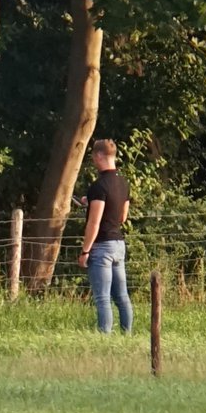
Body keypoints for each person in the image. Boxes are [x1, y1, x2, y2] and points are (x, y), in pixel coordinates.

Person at [76, 138, 133, 334]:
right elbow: (122, 217)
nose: (93, 160)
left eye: (93, 156)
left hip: (102, 246)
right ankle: (127, 335)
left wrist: (85, 251)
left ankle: (104, 338)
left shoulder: (99, 186)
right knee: (122, 296)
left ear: (100, 155)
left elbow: (94, 223)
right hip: (119, 244)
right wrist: (90, 202)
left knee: (102, 298)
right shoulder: (123, 183)